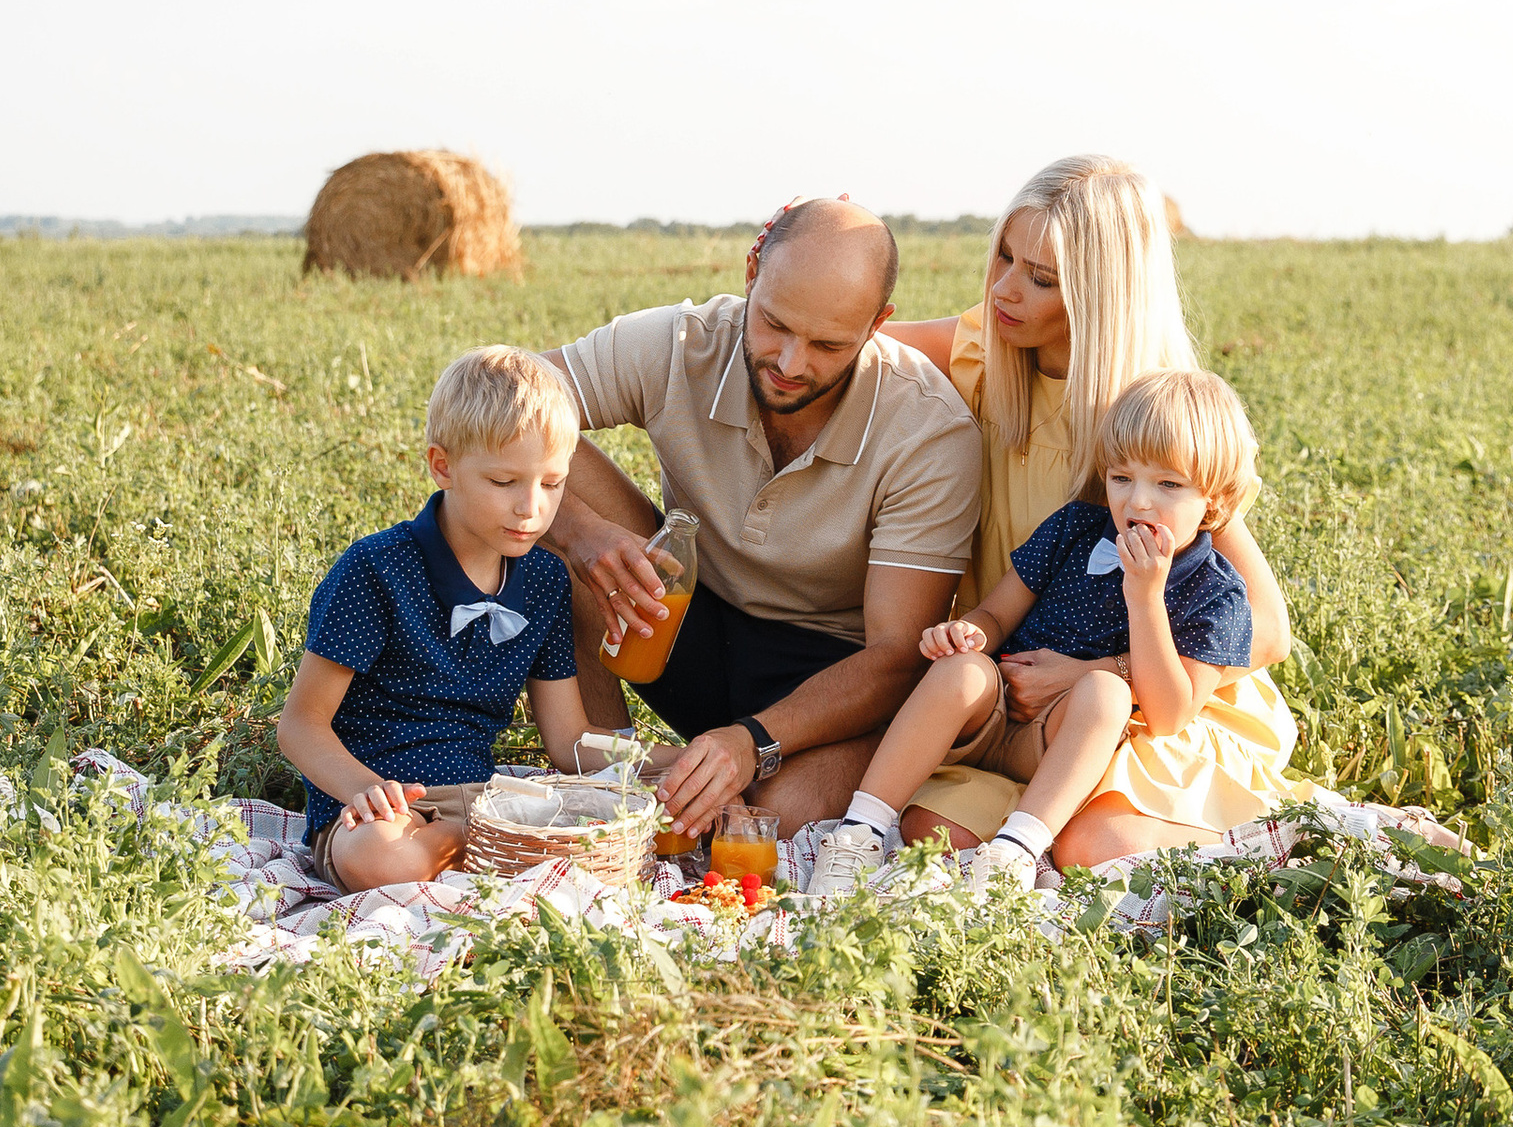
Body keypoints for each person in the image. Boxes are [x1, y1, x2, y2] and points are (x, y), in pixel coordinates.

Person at [878, 154, 1293, 852]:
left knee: (1092, 847)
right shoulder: (982, 348)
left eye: (1042, 278)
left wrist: (1106, 672)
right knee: (934, 838)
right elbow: (847, 331)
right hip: (1016, 695)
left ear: (1102, 295)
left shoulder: (1153, 420)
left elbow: (1269, 629)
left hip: (1154, 702)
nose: (1005, 289)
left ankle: (1299, 842)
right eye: (1004, 257)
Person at [540, 197, 982, 839]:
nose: (791, 363)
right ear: (752, 271)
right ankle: (606, 779)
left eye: (829, 344)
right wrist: (577, 530)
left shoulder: (929, 432)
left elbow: (894, 656)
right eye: (775, 323)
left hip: (827, 676)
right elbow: (495, 393)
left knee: (776, 818)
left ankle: (688, 779)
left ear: (877, 323)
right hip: (687, 616)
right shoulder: (682, 343)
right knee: (538, 478)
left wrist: (753, 741)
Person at [812, 368, 1291, 894]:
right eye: (1122, 478)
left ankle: (1015, 850)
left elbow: (1169, 713)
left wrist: (1145, 598)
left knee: (1106, 693)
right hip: (992, 715)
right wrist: (966, 634)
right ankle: (858, 832)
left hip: (1059, 740)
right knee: (962, 674)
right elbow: (996, 616)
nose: (1138, 502)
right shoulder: (1075, 528)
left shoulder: (1217, 593)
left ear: (1214, 501)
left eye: (1168, 485)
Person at [273, 346, 590, 892]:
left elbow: (568, 741)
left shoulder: (544, 580)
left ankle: (489, 844)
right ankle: (493, 849)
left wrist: (672, 764)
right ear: (443, 466)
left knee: (612, 827)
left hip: (484, 797)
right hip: (376, 811)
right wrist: (367, 790)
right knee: (382, 861)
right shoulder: (376, 569)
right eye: (504, 482)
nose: (531, 508)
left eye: (552, 483)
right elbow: (300, 725)